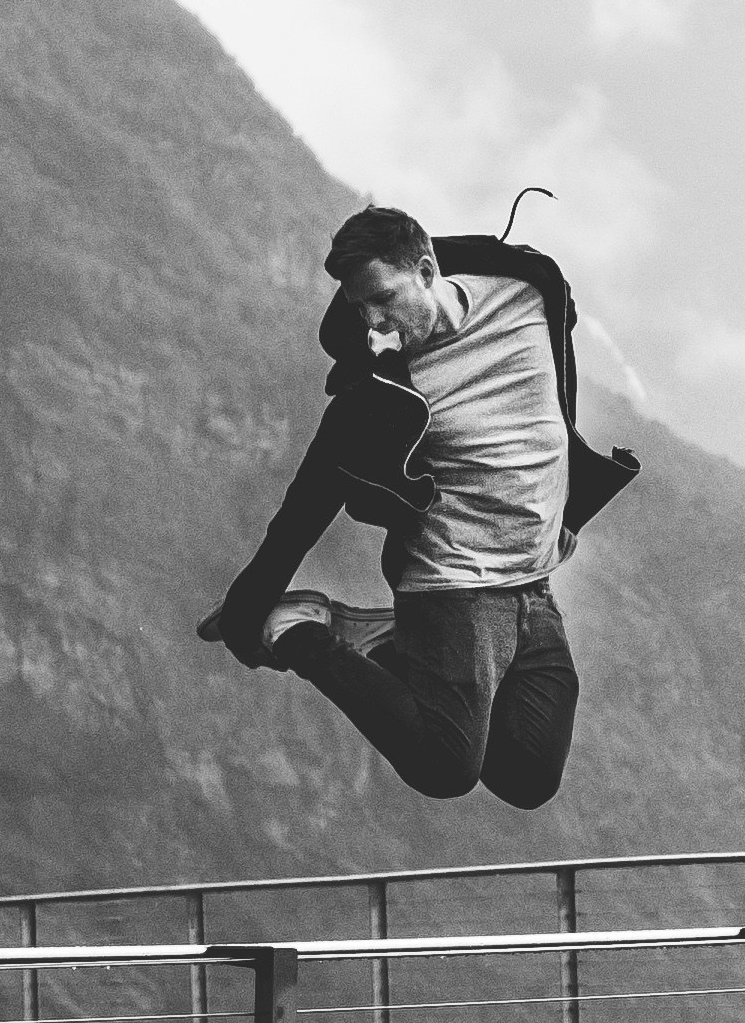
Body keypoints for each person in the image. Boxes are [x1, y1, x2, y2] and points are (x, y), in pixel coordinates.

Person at [196, 205, 641, 807]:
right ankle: (304, 632)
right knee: (443, 767)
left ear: (428, 269)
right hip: (452, 588)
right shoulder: (379, 390)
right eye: (359, 309)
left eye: (383, 299)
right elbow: (304, 508)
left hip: (532, 584)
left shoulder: (529, 294)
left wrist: (564, 506)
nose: (374, 324)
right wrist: (251, 615)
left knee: (529, 777)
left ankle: (384, 644)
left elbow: (552, 408)